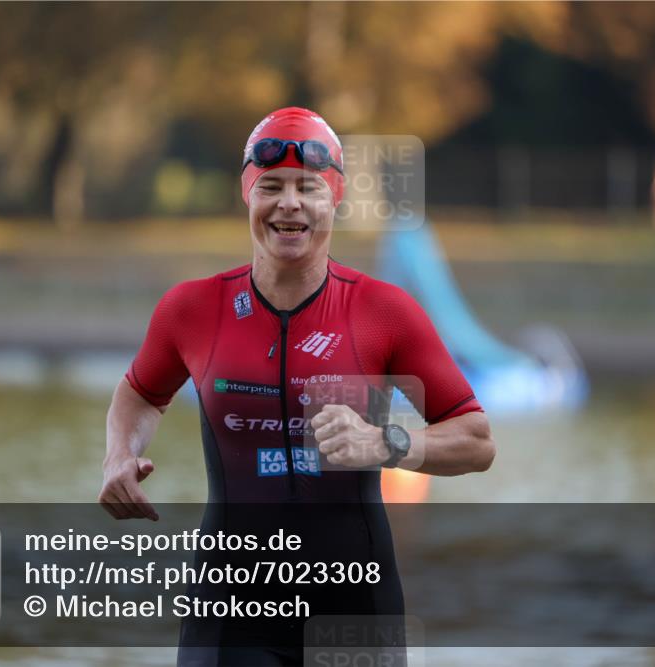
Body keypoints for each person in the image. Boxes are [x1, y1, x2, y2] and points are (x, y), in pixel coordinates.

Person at [100, 107, 495, 666]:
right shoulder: (192, 309)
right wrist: (119, 454)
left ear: (335, 197)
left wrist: (388, 445)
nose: (289, 203)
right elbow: (140, 393)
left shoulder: (385, 313)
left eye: (307, 188)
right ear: (247, 195)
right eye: (272, 187)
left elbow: (477, 440)